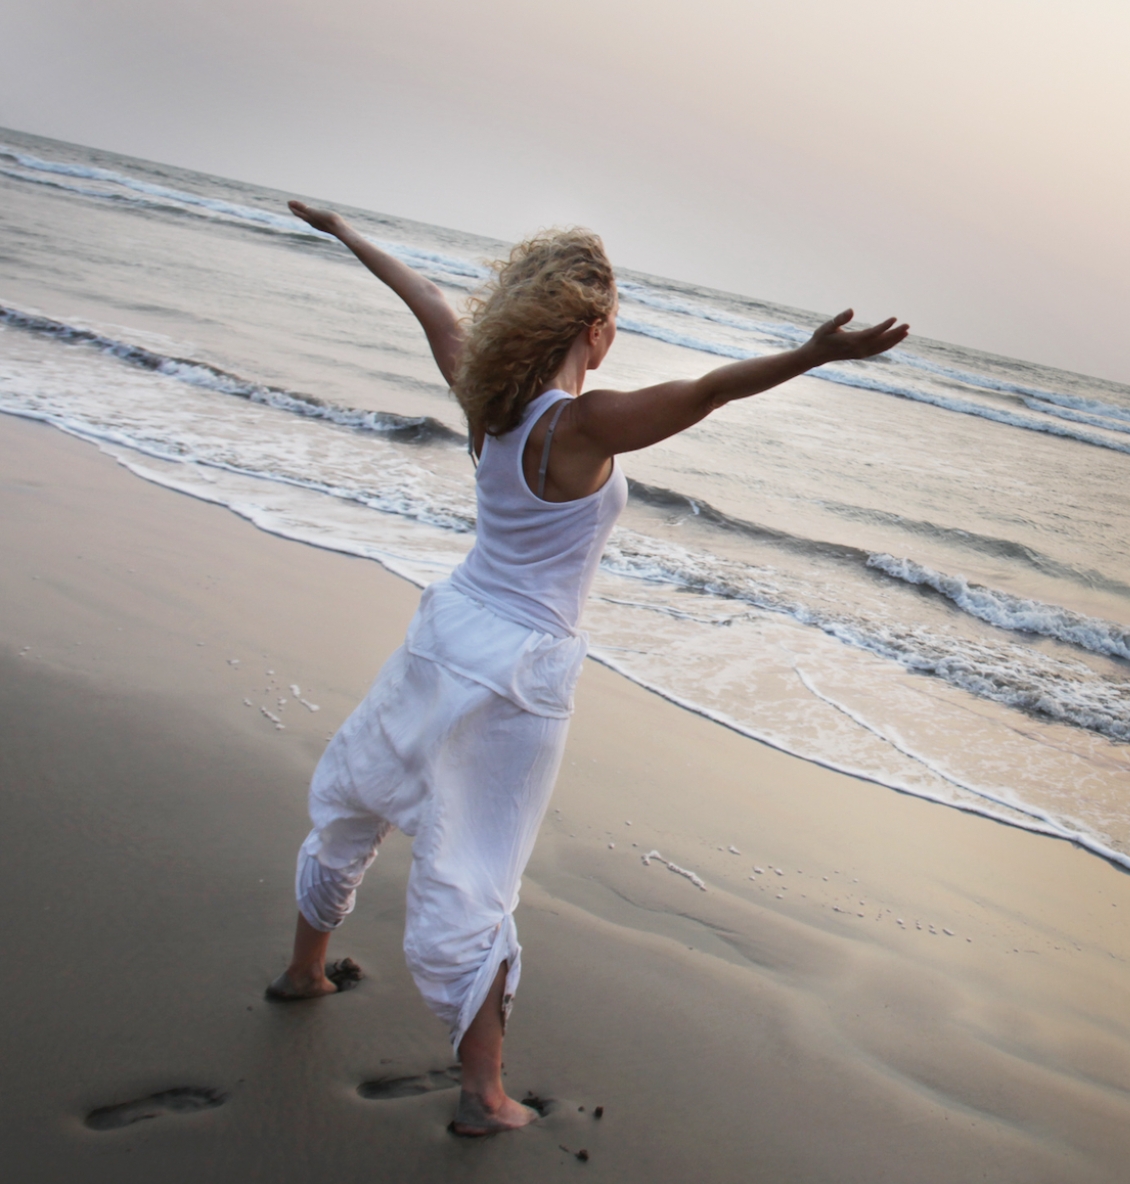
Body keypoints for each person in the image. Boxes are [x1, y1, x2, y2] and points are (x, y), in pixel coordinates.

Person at [266, 200, 908, 1135]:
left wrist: (346, 232)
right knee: (476, 869)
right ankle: (483, 1097)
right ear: (597, 330)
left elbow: (429, 302)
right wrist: (811, 356)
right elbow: (708, 392)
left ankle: (304, 968)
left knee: (361, 789)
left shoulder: (483, 393)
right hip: (521, 673)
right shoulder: (586, 424)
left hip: (448, 630)